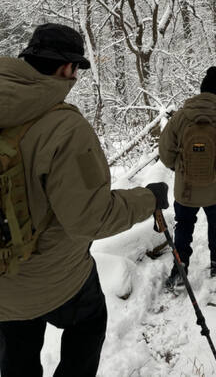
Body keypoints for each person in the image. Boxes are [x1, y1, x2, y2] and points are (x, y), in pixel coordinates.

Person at [0, 23, 168, 377]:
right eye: (76, 70)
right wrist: (146, 200)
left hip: (4, 283)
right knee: (89, 321)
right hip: (53, 277)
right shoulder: (64, 129)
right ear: (66, 68)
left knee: (17, 346)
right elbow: (91, 218)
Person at [159, 66, 216, 287]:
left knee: (183, 227)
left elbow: (165, 151)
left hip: (186, 189)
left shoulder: (182, 116)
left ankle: (179, 269)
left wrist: (179, 168)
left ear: (201, 90)